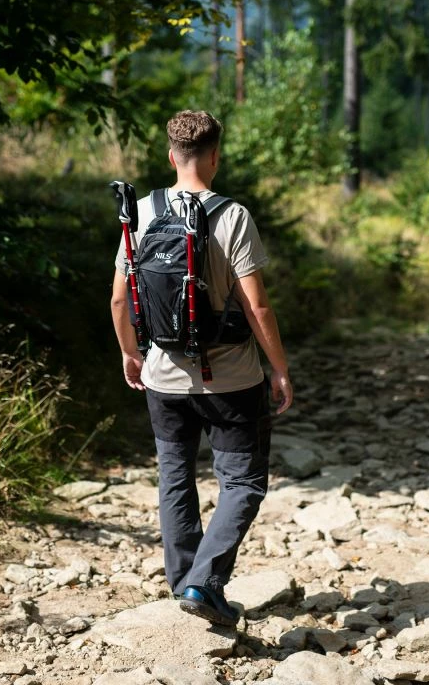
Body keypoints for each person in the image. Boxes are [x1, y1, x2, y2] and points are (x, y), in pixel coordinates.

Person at [110, 110, 293, 627]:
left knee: (175, 476)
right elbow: (257, 307)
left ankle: (185, 586)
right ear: (215, 156)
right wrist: (278, 368)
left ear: (171, 156)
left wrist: (131, 353)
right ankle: (203, 583)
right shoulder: (232, 216)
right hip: (233, 379)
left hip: (162, 377)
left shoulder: (140, 212)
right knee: (243, 482)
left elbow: (121, 299)